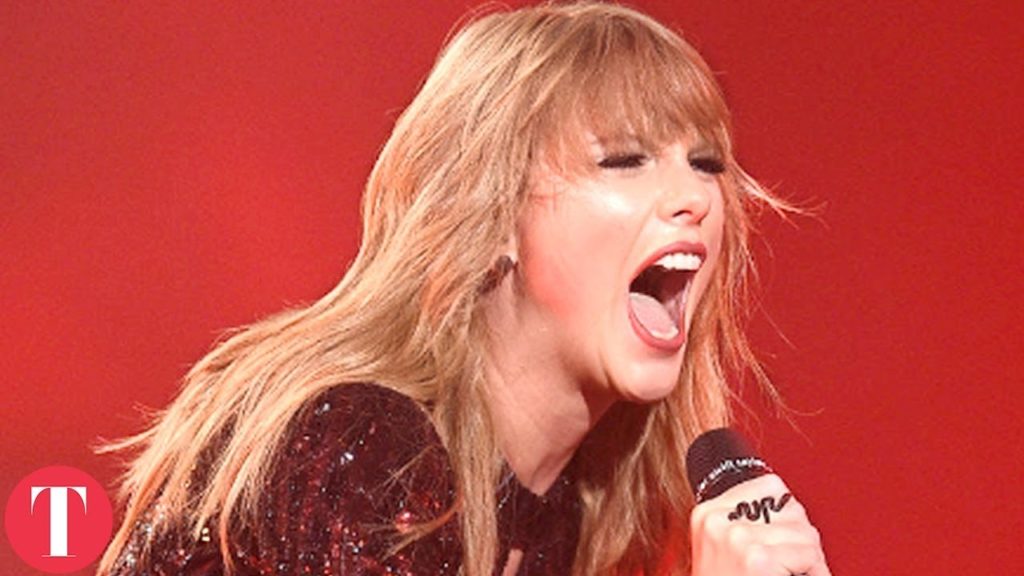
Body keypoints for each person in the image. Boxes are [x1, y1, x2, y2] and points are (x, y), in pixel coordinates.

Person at [99, 2, 829, 575]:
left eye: (706, 164)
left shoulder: (570, 507)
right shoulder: (357, 442)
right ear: (494, 214)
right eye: (625, 160)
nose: (695, 198)